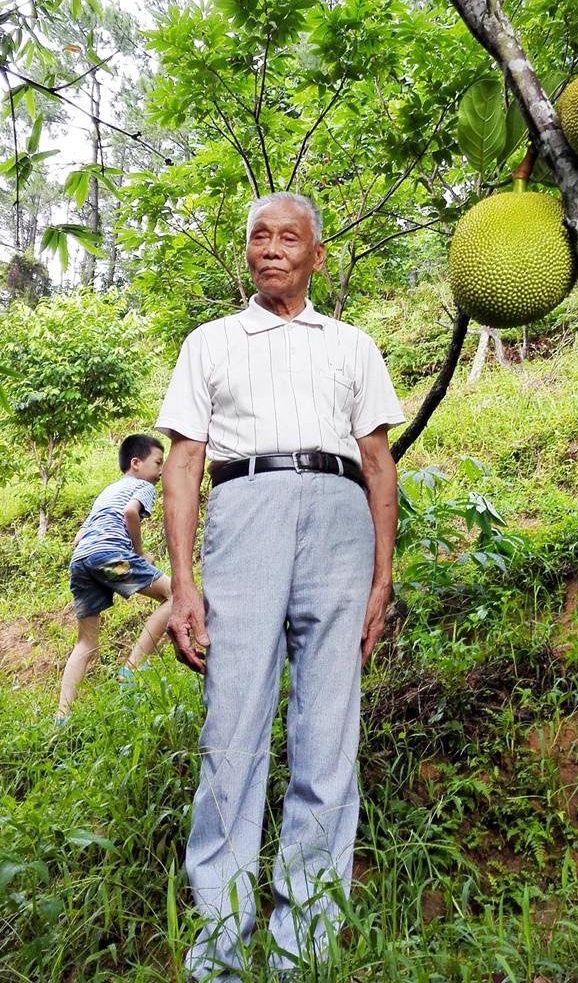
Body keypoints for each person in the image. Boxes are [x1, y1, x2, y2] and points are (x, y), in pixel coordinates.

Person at [156, 191, 404, 981]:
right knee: (232, 732)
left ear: (316, 254)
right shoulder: (212, 342)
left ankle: (306, 951)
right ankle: (221, 952)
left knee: (328, 736)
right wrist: (183, 583)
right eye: (258, 236)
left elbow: (376, 462)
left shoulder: (352, 345)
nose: (270, 249)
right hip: (245, 514)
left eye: (287, 237)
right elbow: (186, 466)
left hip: (339, 519)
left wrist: (382, 576)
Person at [57, 433, 170, 721]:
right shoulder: (142, 486)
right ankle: (130, 673)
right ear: (136, 463)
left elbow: (80, 534)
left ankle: (61, 718)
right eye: (158, 462)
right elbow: (131, 513)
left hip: (81, 560)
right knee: (176, 596)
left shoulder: (107, 492)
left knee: (86, 644)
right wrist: (140, 553)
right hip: (109, 556)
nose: (160, 471)